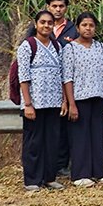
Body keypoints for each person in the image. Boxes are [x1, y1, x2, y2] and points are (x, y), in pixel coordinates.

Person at [25, 0, 77, 177]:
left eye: (61, 6)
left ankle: (58, 167)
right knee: (36, 137)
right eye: (54, 6)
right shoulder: (33, 33)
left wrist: (66, 97)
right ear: (47, 7)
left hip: (63, 88)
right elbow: (24, 68)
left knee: (60, 132)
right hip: (38, 93)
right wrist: (27, 101)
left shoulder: (74, 28)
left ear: (66, 8)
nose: (57, 9)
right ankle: (34, 175)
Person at [61, 12, 103, 187]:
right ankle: (80, 174)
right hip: (79, 98)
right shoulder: (70, 49)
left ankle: (98, 172)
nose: (88, 28)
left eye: (91, 25)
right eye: (84, 25)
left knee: (97, 136)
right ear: (77, 27)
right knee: (80, 136)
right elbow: (67, 78)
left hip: (99, 97)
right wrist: (71, 104)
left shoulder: (100, 48)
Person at [17, 10, 66, 191]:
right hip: (34, 103)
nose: (46, 26)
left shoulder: (57, 46)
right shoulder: (28, 46)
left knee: (52, 141)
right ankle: (32, 180)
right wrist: (28, 104)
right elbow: (24, 77)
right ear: (36, 24)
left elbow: (62, 75)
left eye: (49, 23)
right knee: (33, 142)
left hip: (53, 102)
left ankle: (49, 177)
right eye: (43, 22)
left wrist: (64, 101)